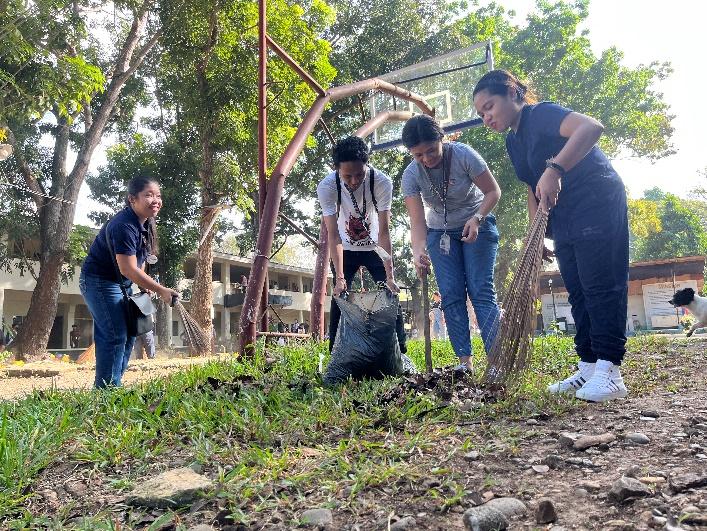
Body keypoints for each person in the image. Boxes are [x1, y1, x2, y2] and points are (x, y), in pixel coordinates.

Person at [473, 70, 629, 402]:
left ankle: (610, 371)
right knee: (577, 288)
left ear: (513, 94)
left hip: (596, 200)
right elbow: (533, 186)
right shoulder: (513, 141)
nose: (486, 117)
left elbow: (591, 127)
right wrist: (537, 234)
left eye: (489, 106)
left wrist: (555, 168)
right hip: (564, 215)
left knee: (599, 284)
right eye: (480, 114)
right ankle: (588, 365)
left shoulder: (540, 114)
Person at [402, 114, 502, 372]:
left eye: (431, 150)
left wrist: (478, 219)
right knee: (451, 294)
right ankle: (464, 363)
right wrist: (418, 251)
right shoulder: (411, 174)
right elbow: (417, 222)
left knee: (480, 290)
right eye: (418, 155)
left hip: (476, 224)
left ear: (441, 139)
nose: (426, 159)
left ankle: (496, 362)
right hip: (439, 232)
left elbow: (493, 191)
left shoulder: (463, 155)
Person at [80, 176, 179, 388]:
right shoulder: (124, 226)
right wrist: (161, 290)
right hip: (100, 282)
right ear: (132, 199)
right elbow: (128, 268)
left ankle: (114, 385)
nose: (156, 200)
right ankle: (105, 392)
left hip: (120, 284)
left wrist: (144, 285)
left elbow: (139, 260)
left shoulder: (146, 223)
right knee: (115, 335)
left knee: (130, 334)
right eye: (149, 195)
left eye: (158, 196)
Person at [317, 136, 407, 353]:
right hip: (345, 248)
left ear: (367, 164)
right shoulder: (328, 187)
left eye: (359, 174)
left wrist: (390, 275)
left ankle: (401, 350)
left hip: (375, 246)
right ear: (337, 169)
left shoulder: (381, 182)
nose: (355, 181)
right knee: (339, 296)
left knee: (389, 292)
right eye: (348, 176)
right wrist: (339, 278)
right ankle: (335, 351)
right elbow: (334, 235)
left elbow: (385, 231)